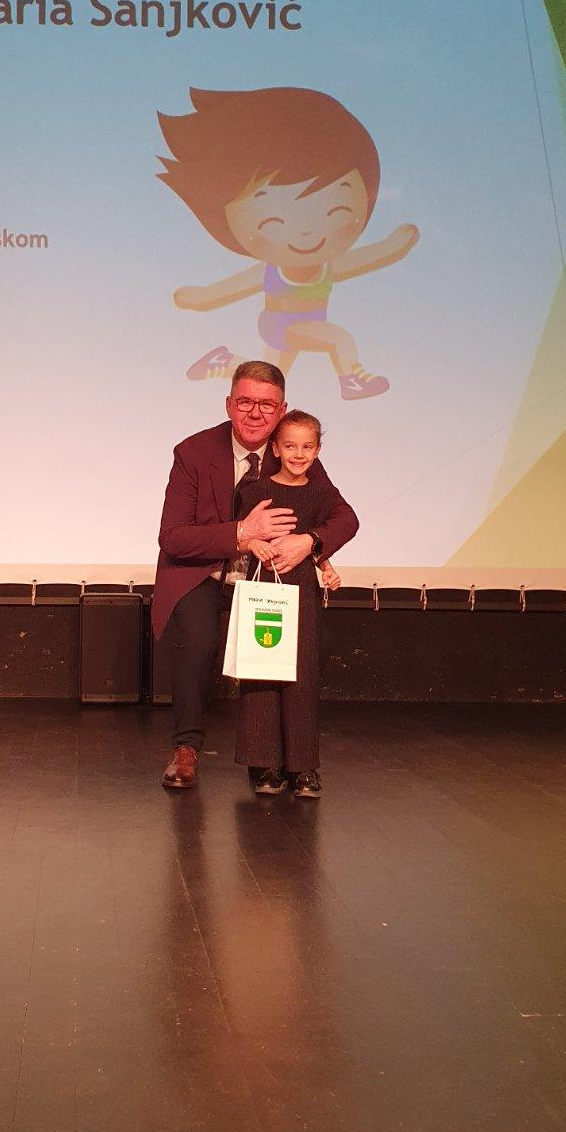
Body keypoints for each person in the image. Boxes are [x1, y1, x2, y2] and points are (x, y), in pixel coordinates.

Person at [154, 361, 358, 790]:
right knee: (197, 641)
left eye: (266, 405)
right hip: (205, 574)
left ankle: (284, 756)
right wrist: (242, 534)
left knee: (302, 649)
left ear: (281, 409)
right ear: (229, 404)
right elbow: (172, 537)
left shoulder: (292, 450)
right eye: (245, 402)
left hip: (267, 582)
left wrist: (310, 543)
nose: (255, 413)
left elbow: (342, 517)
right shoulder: (193, 452)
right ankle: (186, 748)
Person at [157, 86, 418, 401]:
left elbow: (369, 256)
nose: (307, 232)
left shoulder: (328, 265)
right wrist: (201, 297)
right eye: (273, 220)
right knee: (339, 339)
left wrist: (396, 246)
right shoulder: (274, 271)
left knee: (269, 377)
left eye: (334, 211)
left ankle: (224, 361)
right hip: (281, 326)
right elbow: (231, 288)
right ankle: (352, 379)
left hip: (299, 327)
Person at [235, 411, 353, 799]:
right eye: (290, 446)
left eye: (307, 447)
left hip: (302, 592)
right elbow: (240, 536)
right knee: (262, 671)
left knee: (301, 675)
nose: (298, 454)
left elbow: (318, 543)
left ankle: (303, 767)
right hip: (262, 588)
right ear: (275, 448)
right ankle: (265, 764)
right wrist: (254, 543)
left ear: (317, 451)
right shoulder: (254, 491)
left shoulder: (321, 495)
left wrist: (327, 566)